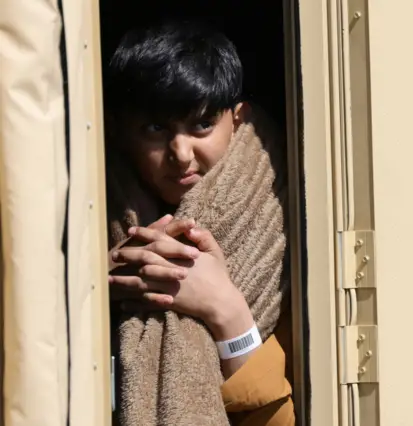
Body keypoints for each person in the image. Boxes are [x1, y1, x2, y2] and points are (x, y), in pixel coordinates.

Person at [103, 19, 294, 426]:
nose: (182, 154)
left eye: (202, 125)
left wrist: (227, 310)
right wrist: (96, 285)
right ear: (118, 131)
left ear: (237, 118)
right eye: (156, 128)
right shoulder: (86, 223)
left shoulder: (289, 222)